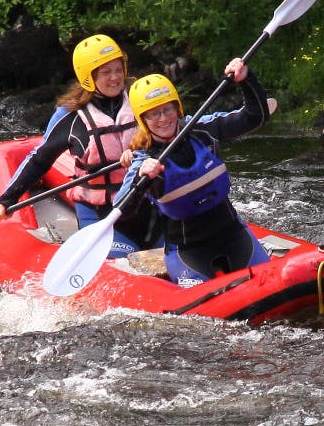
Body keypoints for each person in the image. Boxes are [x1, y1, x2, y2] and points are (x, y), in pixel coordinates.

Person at [0, 34, 160, 257]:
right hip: (102, 215)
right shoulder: (70, 116)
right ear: (88, 76)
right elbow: (40, 159)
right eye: (106, 72)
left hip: (147, 207)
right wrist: (6, 199)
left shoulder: (141, 100)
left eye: (118, 69)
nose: (115, 78)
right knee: (127, 260)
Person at [117, 58, 273, 287]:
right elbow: (122, 207)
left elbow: (255, 116)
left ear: (176, 107)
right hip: (188, 252)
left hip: (233, 235)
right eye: (153, 114)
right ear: (142, 120)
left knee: (267, 285)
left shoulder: (203, 130)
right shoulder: (143, 158)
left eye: (167, 109)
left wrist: (246, 80)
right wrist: (141, 177)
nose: (163, 119)